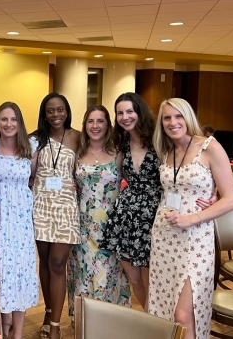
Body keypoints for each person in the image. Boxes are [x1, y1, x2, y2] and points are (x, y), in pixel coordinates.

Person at [148, 98, 233, 339]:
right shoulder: (165, 150)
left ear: (189, 118)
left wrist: (194, 218)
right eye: (167, 118)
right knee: (165, 308)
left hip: (195, 239)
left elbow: (231, 199)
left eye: (178, 116)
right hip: (164, 236)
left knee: (185, 314)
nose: (173, 122)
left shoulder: (210, 146)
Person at [67, 105, 131, 320]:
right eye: (90, 121)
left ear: (108, 124)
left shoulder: (118, 153)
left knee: (108, 273)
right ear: (85, 125)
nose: (95, 126)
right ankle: (86, 323)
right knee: (84, 272)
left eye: (100, 121)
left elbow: (135, 184)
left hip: (111, 226)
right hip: (82, 226)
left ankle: (109, 321)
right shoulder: (78, 153)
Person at [100, 92, 160, 310]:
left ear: (140, 112)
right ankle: (149, 319)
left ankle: (159, 325)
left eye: (129, 111)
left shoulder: (158, 139)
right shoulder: (121, 141)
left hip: (153, 214)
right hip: (126, 214)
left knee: (150, 280)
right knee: (134, 279)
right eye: (120, 113)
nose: (125, 117)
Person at [30, 93, 79, 339]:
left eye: (60, 110)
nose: (56, 114)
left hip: (67, 207)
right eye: (51, 111)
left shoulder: (77, 137)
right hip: (41, 205)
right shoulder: (35, 139)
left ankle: (57, 325)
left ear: (67, 111)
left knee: (59, 262)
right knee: (46, 260)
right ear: (44, 114)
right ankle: (48, 313)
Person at [0, 102, 39, 339]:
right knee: (0, 273)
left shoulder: (31, 147)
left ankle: (18, 334)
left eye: (13, 119)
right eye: (4, 119)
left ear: (20, 122)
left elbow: (33, 178)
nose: (9, 124)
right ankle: (2, 328)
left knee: (20, 273)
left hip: (20, 221)